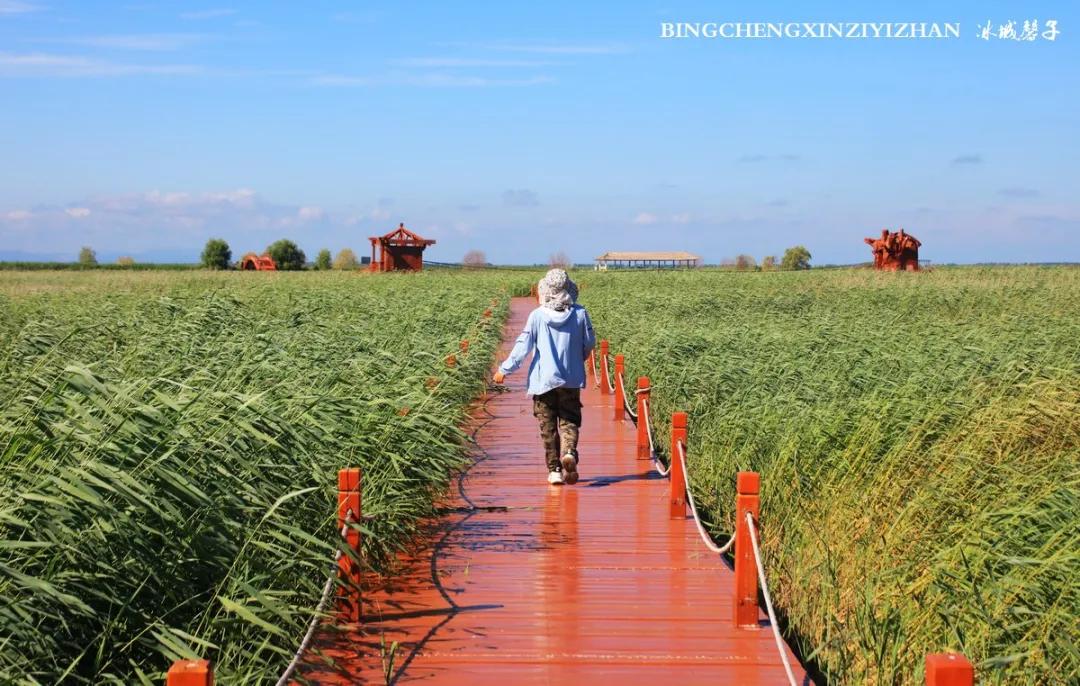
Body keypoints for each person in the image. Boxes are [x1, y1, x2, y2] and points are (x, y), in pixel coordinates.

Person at [493, 269, 596, 485]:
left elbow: (524, 345)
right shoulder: (579, 314)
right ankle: (569, 451)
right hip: (571, 379)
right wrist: (578, 360)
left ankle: (555, 470)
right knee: (569, 420)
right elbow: (589, 344)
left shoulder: (537, 316)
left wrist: (504, 369)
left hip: (543, 381)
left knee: (547, 426)